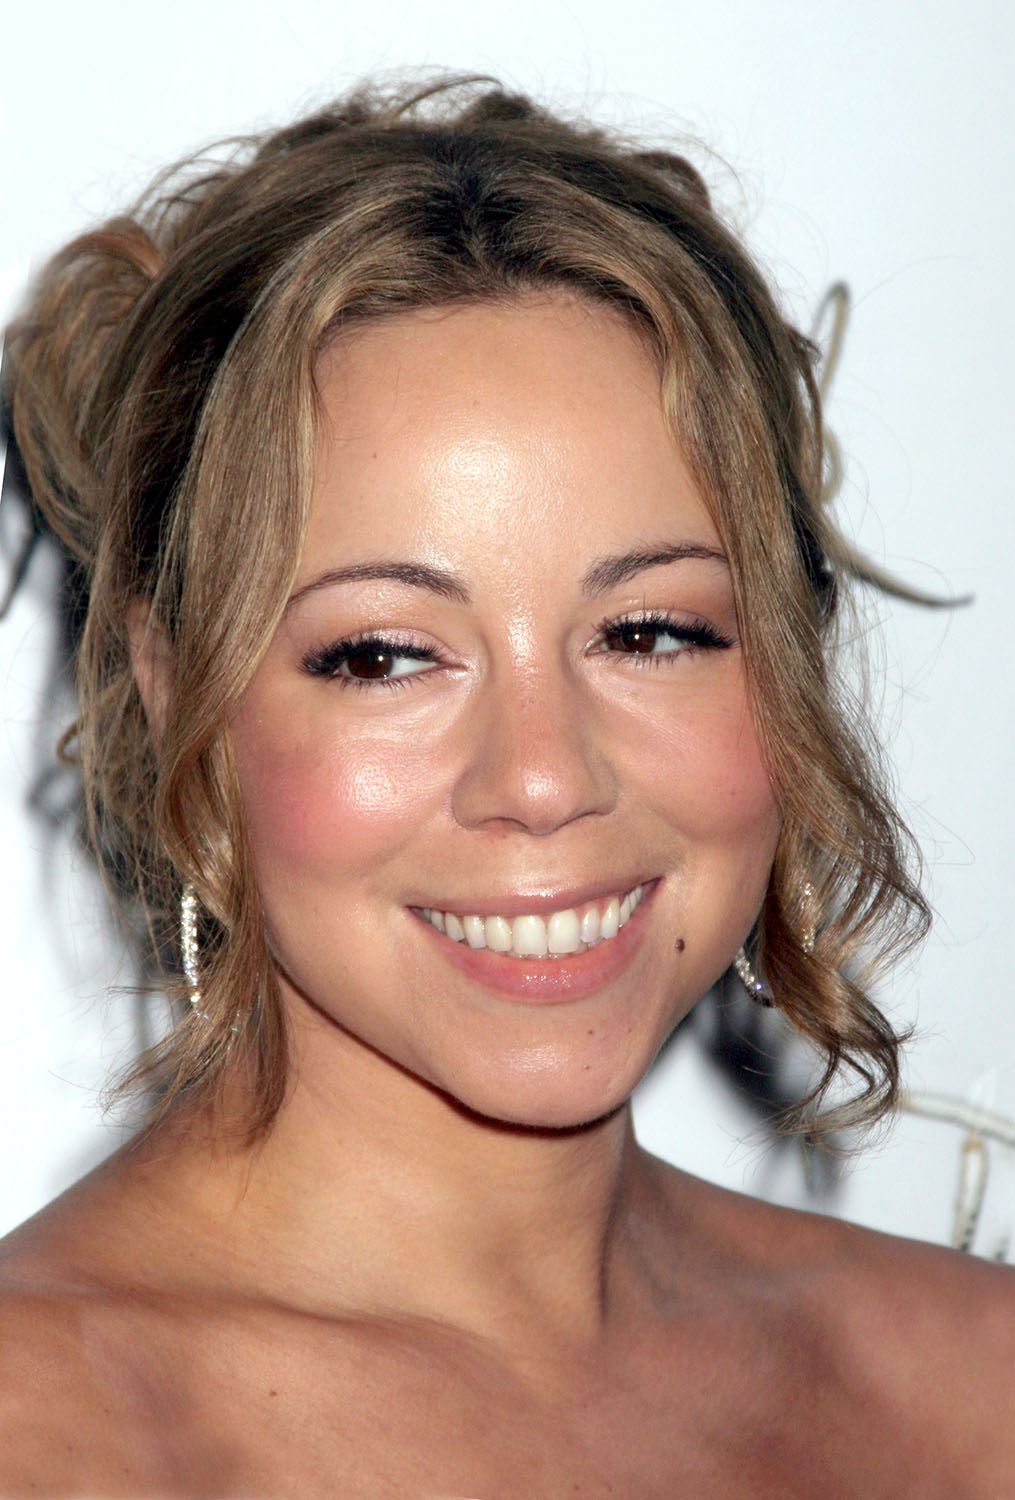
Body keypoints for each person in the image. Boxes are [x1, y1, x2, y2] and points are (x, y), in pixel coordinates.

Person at [0, 76, 1011, 1498]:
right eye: (384, 654)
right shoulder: (44, 1431)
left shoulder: (977, 1380)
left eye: (649, 632)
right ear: (178, 692)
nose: (542, 779)